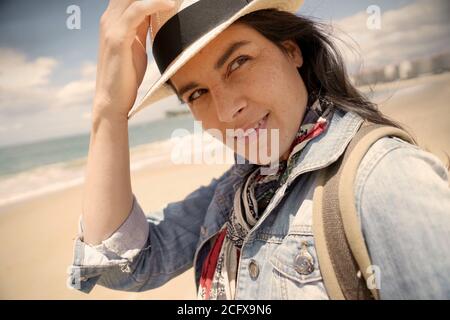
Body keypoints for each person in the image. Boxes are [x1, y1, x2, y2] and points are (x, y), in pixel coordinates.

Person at [67, 0, 450, 299]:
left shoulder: (384, 180)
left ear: (291, 51)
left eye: (238, 62)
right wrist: (108, 112)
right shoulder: (237, 190)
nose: (226, 109)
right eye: (197, 93)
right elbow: (129, 265)